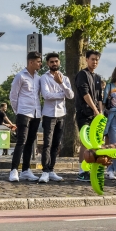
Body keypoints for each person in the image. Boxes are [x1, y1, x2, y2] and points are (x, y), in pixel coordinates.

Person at [8, 51, 42, 182]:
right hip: (23, 112)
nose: (40, 64)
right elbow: (13, 96)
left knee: (30, 142)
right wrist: (18, 111)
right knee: (21, 141)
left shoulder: (38, 78)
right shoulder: (20, 76)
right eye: (38, 62)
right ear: (31, 62)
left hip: (36, 113)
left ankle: (26, 170)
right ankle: (14, 170)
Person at [39, 53, 73, 183]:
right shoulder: (44, 78)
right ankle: (45, 171)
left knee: (56, 144)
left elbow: (70, 95)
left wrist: (61, 84)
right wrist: (62, 94)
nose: (54, 63)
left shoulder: (65, 78)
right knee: (47, 144)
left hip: (61, 114)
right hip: (49, 114)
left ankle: (51, 169)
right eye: (52, 62)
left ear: (59, 62)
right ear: (47, 63)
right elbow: (46, 95)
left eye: (56, 61)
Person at [74, 50, 103, 182]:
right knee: (85, 142)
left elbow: (99, 97)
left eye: (97, 60)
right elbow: (85, 94)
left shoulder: (97, 77)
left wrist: (100, 112)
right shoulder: (82, 74)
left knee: (94, 142)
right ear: (86, 59)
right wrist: (94, 109)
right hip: (84, 113)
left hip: (96, 115)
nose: (95, 62)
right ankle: (82, 171)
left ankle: (90, 168)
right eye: (92, 59)